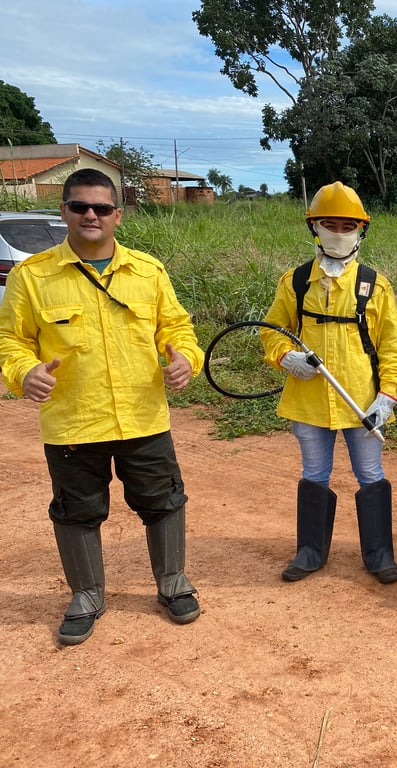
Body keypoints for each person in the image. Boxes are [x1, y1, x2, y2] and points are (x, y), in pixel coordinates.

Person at [0, 168, 203, 645]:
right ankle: (87, 595)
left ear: (118, 214)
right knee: (76, 511)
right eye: (79, 206)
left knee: (164, 500)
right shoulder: (33, 276)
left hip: (142, 416)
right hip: (73, 420)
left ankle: (172, 584)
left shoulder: (147, 271)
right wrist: (23, 372)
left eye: (101, 208)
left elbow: (176, 328)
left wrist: (185, 359)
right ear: (64, 211)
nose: (91, 215)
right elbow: (11, 340)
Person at [262, 182, 397, 585]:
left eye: (348, 226)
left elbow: (392, 348)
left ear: (361, 230)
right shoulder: (296, 282)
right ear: (315, 227)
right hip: (309, 399)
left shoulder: (374, 284)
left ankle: (379, 554)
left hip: (361, 402)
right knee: (314, 472)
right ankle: (310, 552)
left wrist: (388, 397)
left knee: (370, 473)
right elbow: (273, 331)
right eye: (330, 224)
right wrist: (285, 357)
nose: (339, 233)